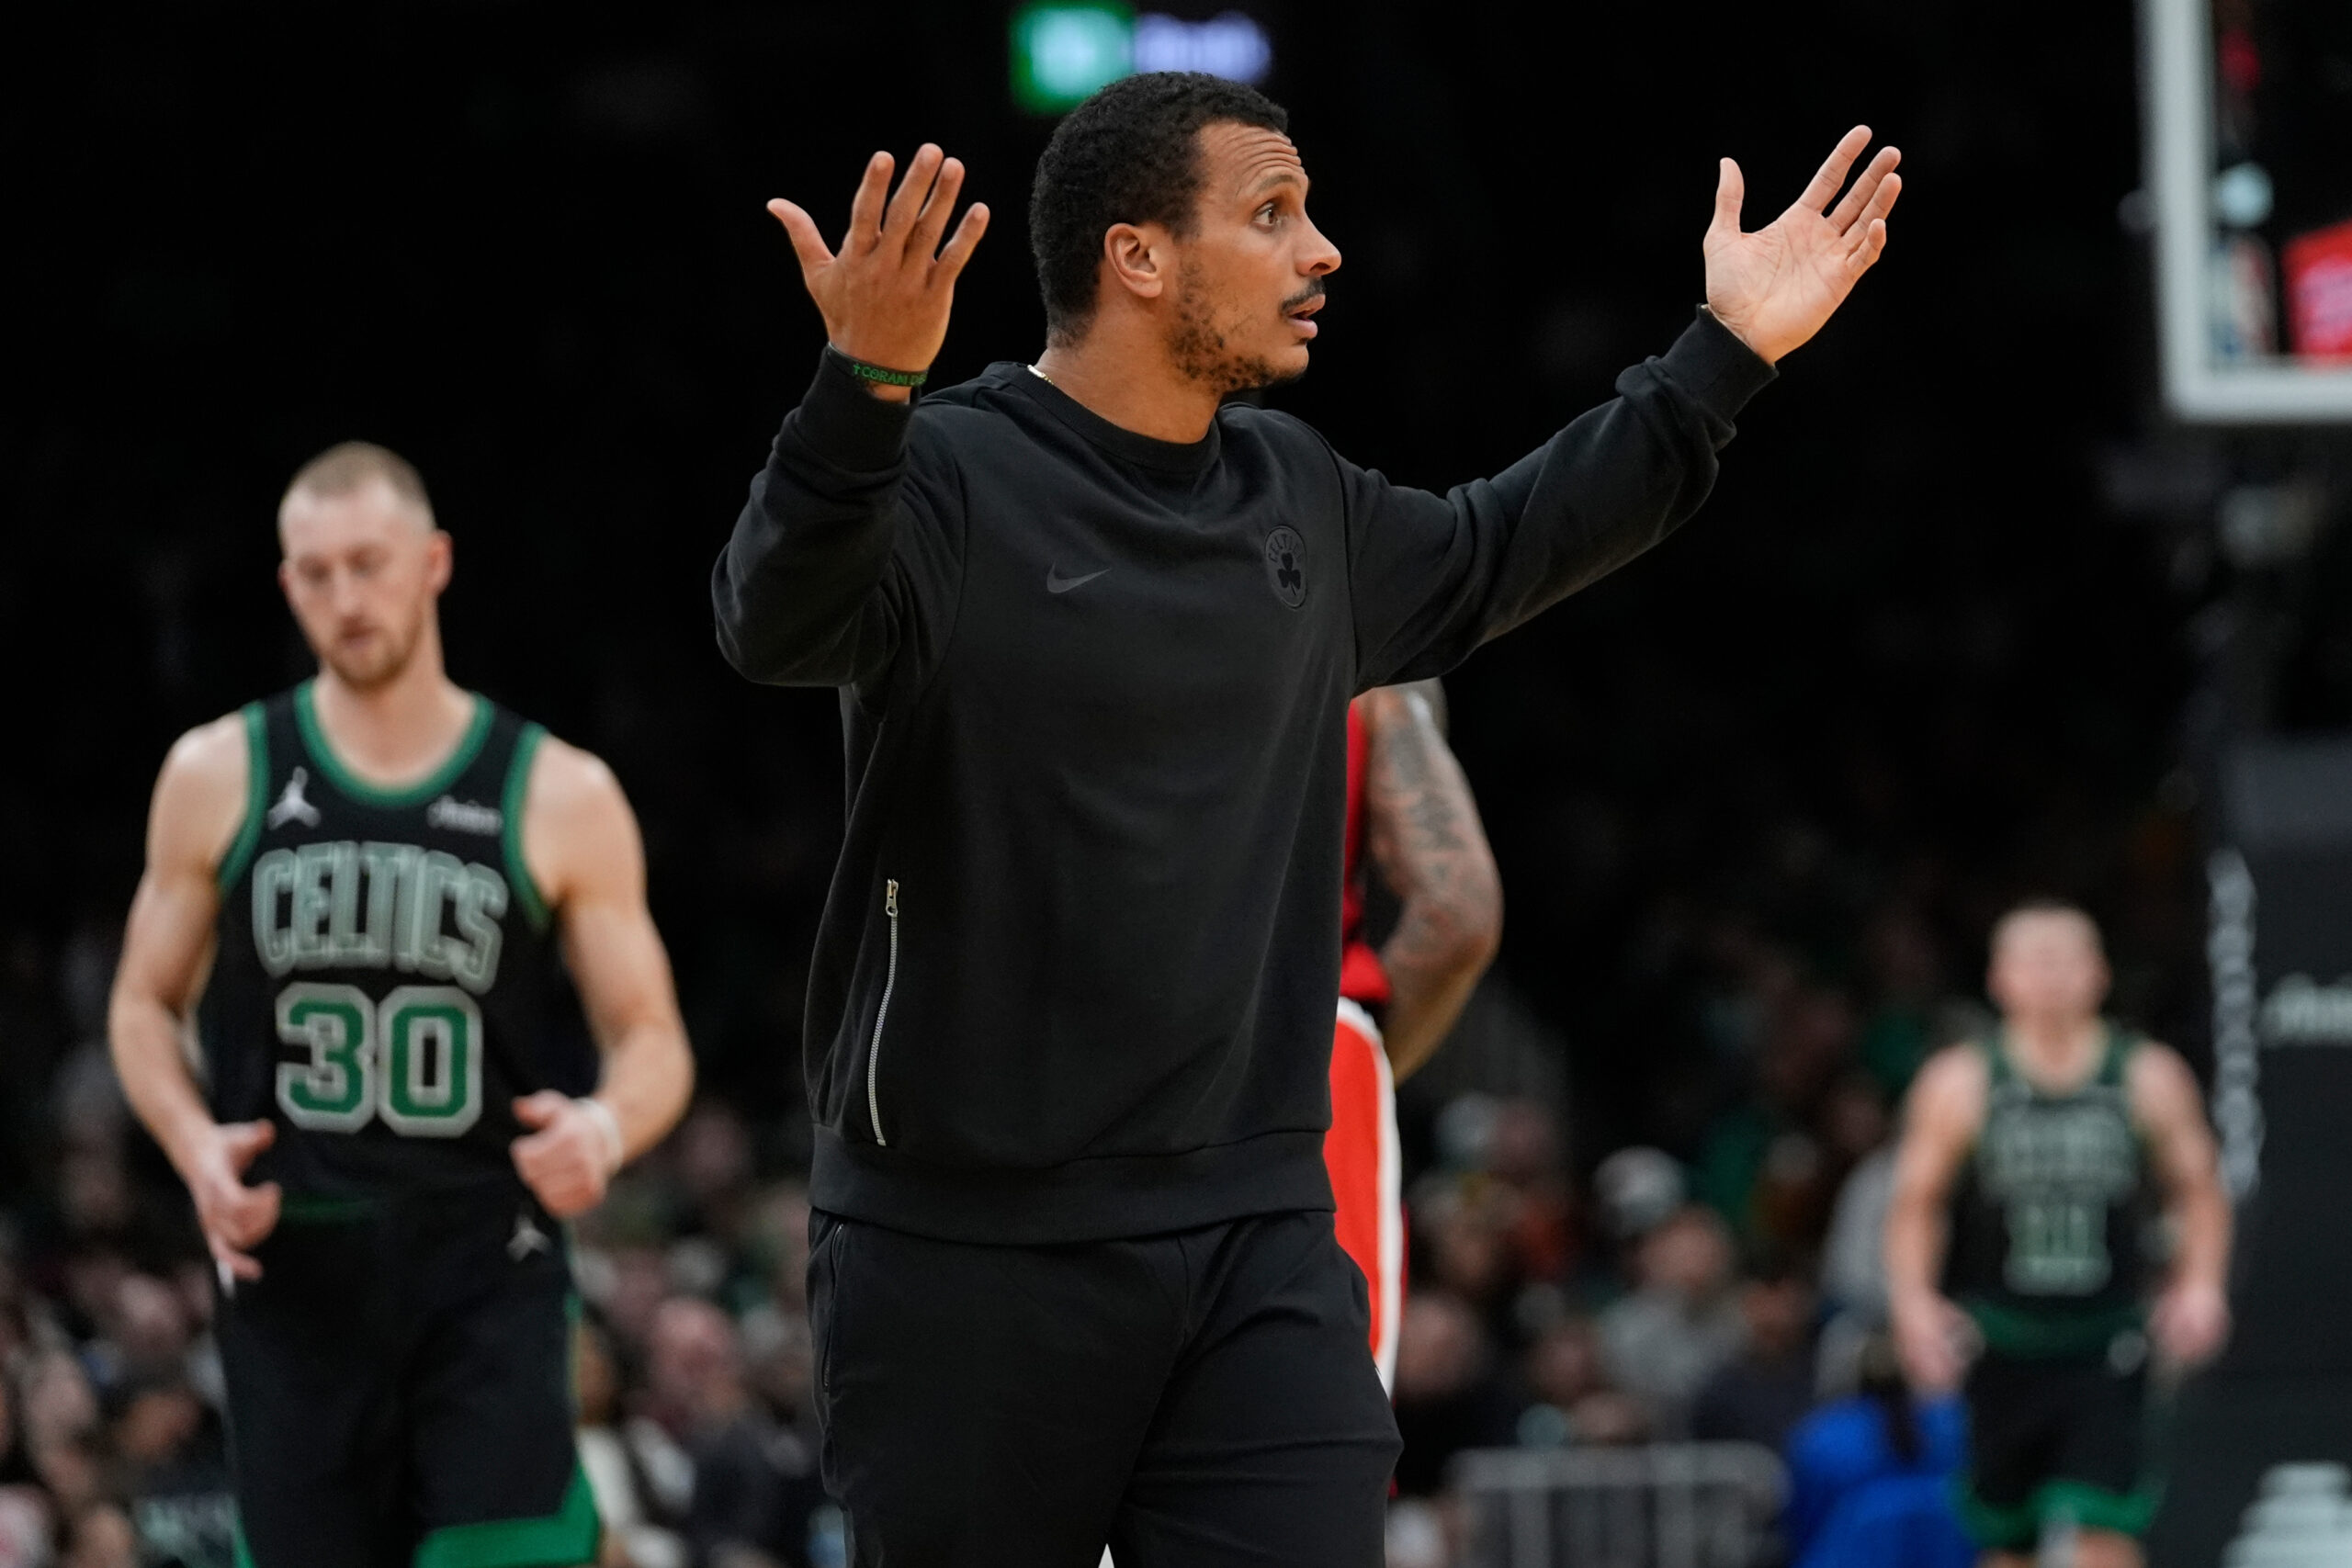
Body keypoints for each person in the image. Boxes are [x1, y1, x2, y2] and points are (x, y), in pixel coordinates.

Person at [714, 69, 1898, 1566]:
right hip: (967, 1247)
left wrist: (1723, 356)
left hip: (1257, 1226)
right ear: (1138, 255)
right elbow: (772, 621)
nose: (1323, 248)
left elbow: (1505, 544)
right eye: (1273, 214)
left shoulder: (1296, 492)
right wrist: (860, 389)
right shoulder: (948, 470)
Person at [109, 444, 695, 1567]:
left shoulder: (559, 791)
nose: (344, 597)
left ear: (433, 564)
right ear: (287, 586)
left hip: (485, 1261)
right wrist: (192, 1145)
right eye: (315, 573)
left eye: (368, 564)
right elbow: (141, 1006)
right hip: (296, 1273)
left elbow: (654, 1040)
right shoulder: (217, 773)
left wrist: (606, 1127)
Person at [1883, 901, 2232, 1568]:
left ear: (2099, 973)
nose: (2050, 977)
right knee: (2004, 1537)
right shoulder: (1962, 1080)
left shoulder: (2144, 1073)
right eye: (2033, 961)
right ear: (1999, 978)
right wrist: (1913, 1304)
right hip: (2002, 1336)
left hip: (2106, 1337)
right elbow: (1915, 1204)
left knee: (2106, 1531)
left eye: (2065, 959)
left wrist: (2201, 1283)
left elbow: (2200, 1187)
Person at [1329, 680, 1501, 1388]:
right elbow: (1457, 911)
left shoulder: (1014, 600)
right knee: (1297, 1467)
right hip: (1307, 1066)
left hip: (1053, 1059)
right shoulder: (1358, 627)